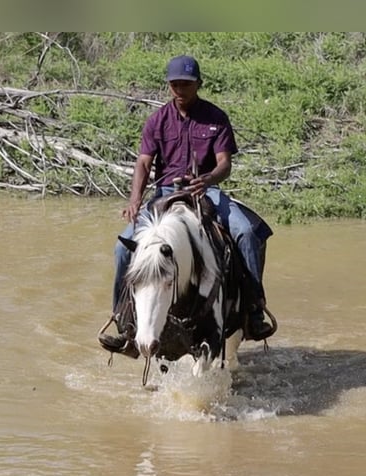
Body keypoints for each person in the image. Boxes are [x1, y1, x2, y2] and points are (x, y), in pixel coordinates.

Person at [99, 55, 275, 356]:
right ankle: (123, 322)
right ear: (169, 86)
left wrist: (207, 179)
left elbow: (224, 163)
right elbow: (144, 162)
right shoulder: (157, 120)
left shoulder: (215, 118)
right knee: (121, 249)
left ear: (198, 84)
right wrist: (135, 200)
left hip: (206, 191)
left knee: (246, 232)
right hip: (165, 192)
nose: (180, 89)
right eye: (175, 84)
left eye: (186, 84)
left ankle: (254, 309)